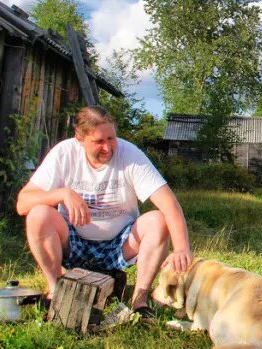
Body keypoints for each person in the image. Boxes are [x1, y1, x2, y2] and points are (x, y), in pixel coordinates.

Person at [16, 105, 192, 317]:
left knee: (158, 220)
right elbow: (23, 203)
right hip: (73, 242)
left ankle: (140, 300)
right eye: (99, 141)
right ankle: (55, 289)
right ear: (79, 139)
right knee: (38, 214)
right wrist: (62, 194)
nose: (108, 147)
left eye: (111, 139)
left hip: (119, 244)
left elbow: (169, 203)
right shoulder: (64, 153)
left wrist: (182, 248)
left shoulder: (130, 155)